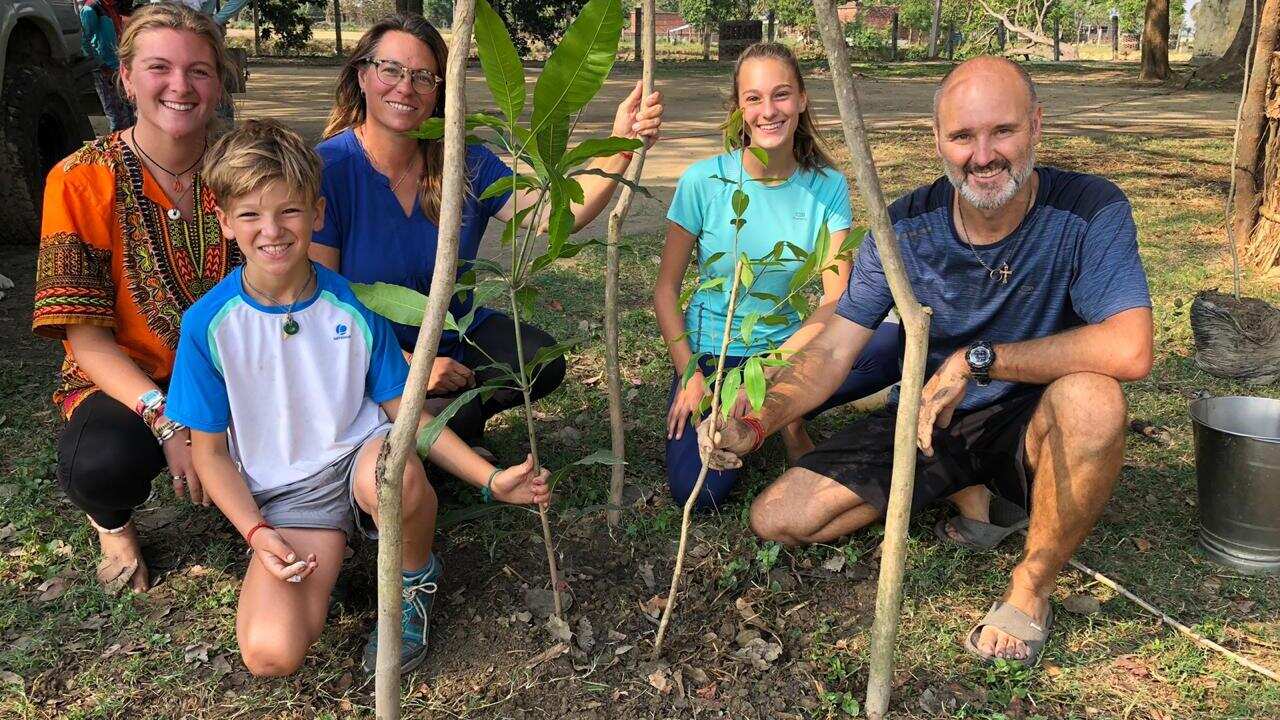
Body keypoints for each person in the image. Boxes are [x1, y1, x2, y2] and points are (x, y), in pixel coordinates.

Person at [700, 56, 1153, 667]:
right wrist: (756, 418)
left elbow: (1130, 346)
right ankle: (973, 487)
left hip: (1032, 414)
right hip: (932, 419)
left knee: (1095, 400)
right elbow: (835, 348)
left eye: (1003, 131)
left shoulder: (1089, 209)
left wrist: (978, 360)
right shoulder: (905, 225)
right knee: (778, 517)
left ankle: (1031, 587)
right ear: (938, 140)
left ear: (1037, 126)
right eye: (963, 136)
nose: (983, 155)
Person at [167, 118, 551, 678]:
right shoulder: (207, 324)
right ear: (224, 222)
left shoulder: (356, 303)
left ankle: (413, 580)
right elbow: (210, 454)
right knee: (270, 654)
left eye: (289, 211)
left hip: (360, 458)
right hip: (289, 496)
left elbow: (408, 416)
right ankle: (332, 547)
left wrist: (489, 480)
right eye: (250, 214)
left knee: (395, 472)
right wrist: (257, 531)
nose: (271, 230)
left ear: (317, 214)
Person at [311, 15, 664, 447]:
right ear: (363, 75)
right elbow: (322, 307)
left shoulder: (464, 159)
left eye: (423, 76)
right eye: (390, 70)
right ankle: (432, 426)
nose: (405, 87)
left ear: (440, 90)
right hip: (365, 355)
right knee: (412, 436)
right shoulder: (326, 170)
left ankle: (451, 419)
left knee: (537, 359)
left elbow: (554, 214)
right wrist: (409, 366)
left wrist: (619, 146)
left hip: (454, 334)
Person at [32, 2, 244, 593]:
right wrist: (171, 423)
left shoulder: (242, 164)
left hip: (239, 372)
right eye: (159, 68)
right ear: (125, 78)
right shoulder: (81, 179)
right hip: (130, 381)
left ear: (218, 81)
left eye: (199, 71)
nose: (180, 86)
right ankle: (114, 526)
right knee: (99, 464)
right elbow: (88, 341)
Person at [655, 42, 899, 511]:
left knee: (893, 345)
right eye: (754, 98)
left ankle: (788, 414)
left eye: (781, 95)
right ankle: (774, 415)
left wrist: (769, 371)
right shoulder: (704, 182)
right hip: (712, 353)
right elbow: (665, 292)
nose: (769, 111)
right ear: (739, 108)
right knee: (698, 492)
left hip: (790, 353)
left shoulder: (826, 185)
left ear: (803, 99)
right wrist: (690, 375)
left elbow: (835, 299)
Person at [80, 0, 137, 132]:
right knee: (115, 116)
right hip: (104, 70)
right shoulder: (90, 9)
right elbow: (85, 43)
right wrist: (101, 65)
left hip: (119, 67)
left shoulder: (111, 7)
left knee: (130, 112)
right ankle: (117, 149)